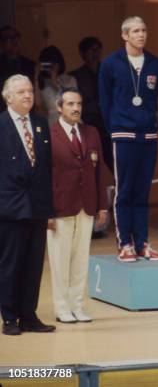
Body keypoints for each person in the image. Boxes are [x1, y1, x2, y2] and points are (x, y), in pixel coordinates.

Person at [99, 16, 158, 261]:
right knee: (124, 191)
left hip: (148, 134)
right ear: (124, 35)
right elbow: (105, 100)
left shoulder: (155, 63)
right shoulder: (110, 64)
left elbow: (152, 98)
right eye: (136, 31)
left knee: (142, 192)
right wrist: (115, 127)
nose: (141, 35)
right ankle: (125, 243)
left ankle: (143, 243)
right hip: (123, 134)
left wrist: (149, 120)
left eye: (144, 30)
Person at [0, 74, 55, 335]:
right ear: (7, 97)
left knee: (34, 264)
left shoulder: (41, 124)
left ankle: (29, 315)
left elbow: (46, 170)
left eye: (30, 91)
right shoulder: (0, 125)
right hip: (10, 207)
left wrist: (50, 208)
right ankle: (9, 316)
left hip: (38, 206)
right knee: (11, 263)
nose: (27, 96)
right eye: (21, 92)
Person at [47, 88, 108, 323]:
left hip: (86, 204)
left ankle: (78, 305)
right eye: (70, 104)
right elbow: (44, 176)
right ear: (59, 107)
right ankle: (62, 307)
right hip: (59, 206)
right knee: (60, 259)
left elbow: (99, 171)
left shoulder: (90, 132)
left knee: (81, 259)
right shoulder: (50, 134)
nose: (76, 108)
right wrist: (46, 211)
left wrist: (103, 205)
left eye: (79, 104)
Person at [70, 36, 113, 173]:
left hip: (109, 125)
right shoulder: (74, 76)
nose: (94, 53)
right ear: (82, 54)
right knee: (91, 167)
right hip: (88, 125)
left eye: (97, 50)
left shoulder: (110, 72)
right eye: (90, 51)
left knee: (116, 164)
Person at [35, 45, 77, 124]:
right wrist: (37, 76)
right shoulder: (43, 82)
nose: (50, 67)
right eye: (46, 64)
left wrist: (55, 82)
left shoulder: (71, 80)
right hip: (52, 122)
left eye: (52, 63)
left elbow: (71, 101)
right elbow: (38, 103)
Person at [0, 25, 35, 111]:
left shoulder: (30, 64)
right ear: (2, 42)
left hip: (27, 111)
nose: (14, 41)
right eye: (8, 38)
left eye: (15, 37)